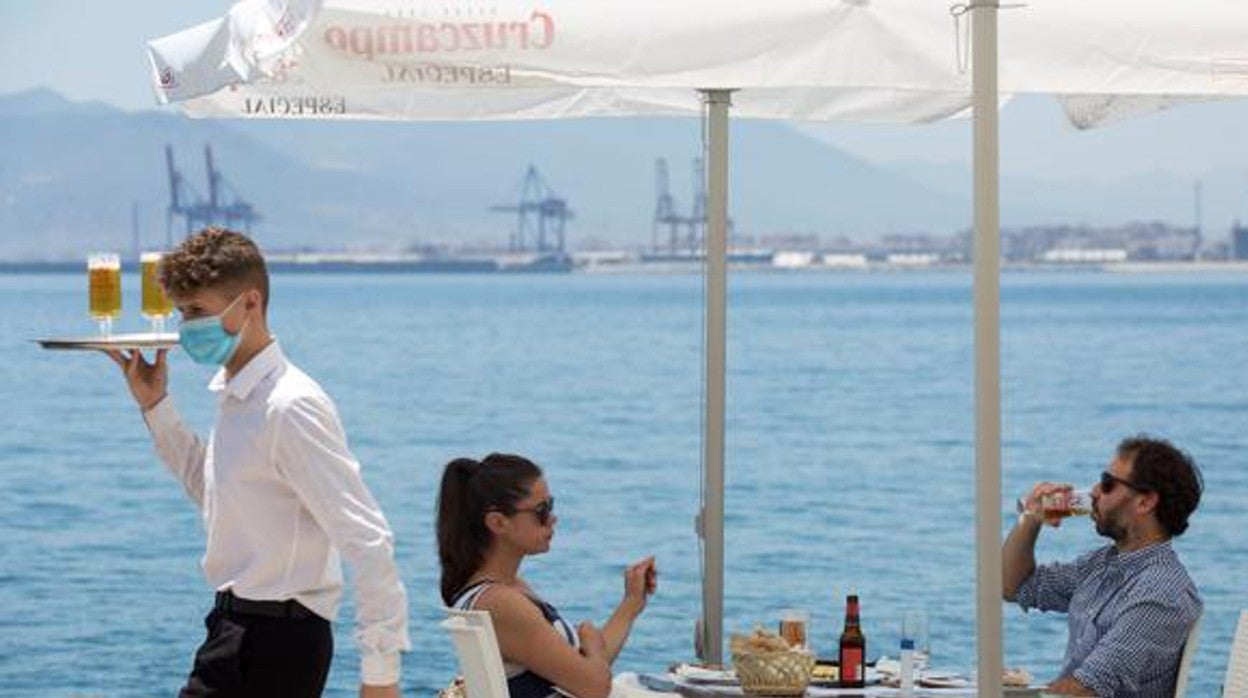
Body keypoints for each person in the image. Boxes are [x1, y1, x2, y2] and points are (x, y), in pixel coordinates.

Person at [105, 228, 408, 698]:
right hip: (232, 627)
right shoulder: (237, 395)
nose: (186, 327)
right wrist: (155, 405)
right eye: (182, 312)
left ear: (250, 303)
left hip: (279, 639)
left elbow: (366, 538)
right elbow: (214, 495)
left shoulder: (289, 406)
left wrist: (380, 678)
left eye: (198, 311)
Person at [437, 453, 657, 698]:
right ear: (498, 523)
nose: (553, 518)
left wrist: (631, 603)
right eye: (542, 511)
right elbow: (594, 686)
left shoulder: (504, 591)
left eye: (551, 505)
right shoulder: (501, 603)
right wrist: (591, 644)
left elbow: (581, 672)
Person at [1002, 435, 1204, 698]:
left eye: (1108, 484)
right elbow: (1011, 586)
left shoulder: (1160, 594)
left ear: (1144, 502)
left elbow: (1083, 690)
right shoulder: (1102, 564)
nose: (1094, 491)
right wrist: (1031, 517)